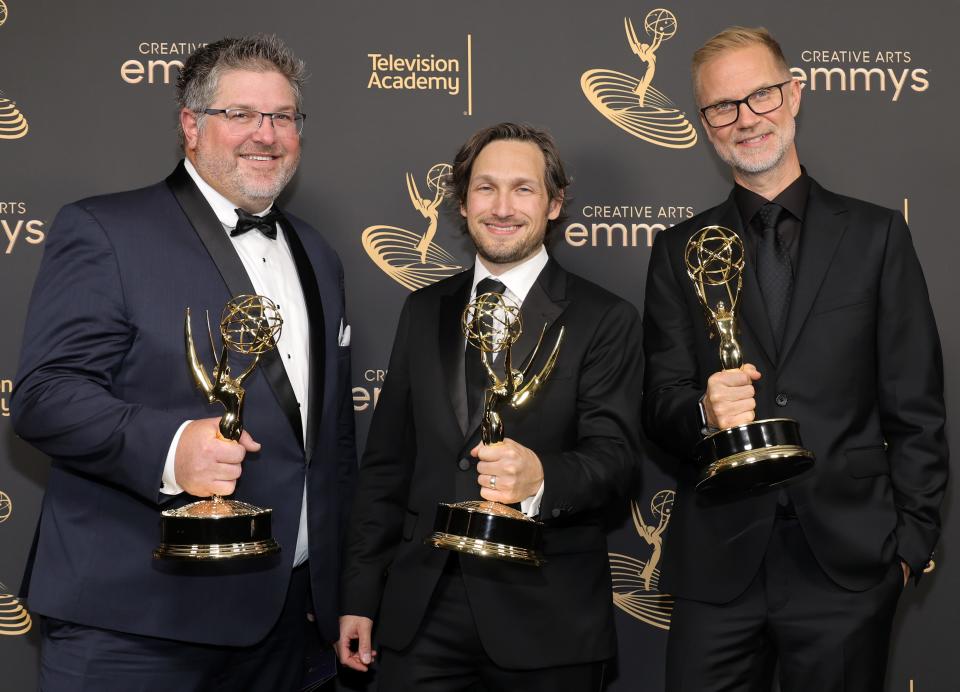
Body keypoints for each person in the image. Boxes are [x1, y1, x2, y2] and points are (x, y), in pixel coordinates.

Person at [12, 35, 357, 691]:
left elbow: (331, 439)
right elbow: (45, 396)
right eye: (242, 114)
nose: (268, 134)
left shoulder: (319, 254)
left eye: (284, 116)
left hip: (286, 621)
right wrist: (171, 449)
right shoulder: (106, 230)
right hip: (136, 622)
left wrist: (339, 586)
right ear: (192, 126)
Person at [642, 26, 948, 691]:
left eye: (761, 95)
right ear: (704, 124)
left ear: (795, 93)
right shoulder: (677, 250)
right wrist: (702, 410)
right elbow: (658, 407)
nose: (746, 118)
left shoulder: (877, 236)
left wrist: (910, 548)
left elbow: (916, 406)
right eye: (723, 106)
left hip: (848, 565)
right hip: (718, 568)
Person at [337, 122, 644, 691]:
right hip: (419, 613)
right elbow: (386, 466)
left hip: (545, 619)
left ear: (555, 203)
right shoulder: (424, 310)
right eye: (486, 188)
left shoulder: (606, 319)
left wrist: (540, 479)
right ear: (462, 201)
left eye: (523, 189)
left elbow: (617, 460)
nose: (502, 207)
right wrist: (359, 594)